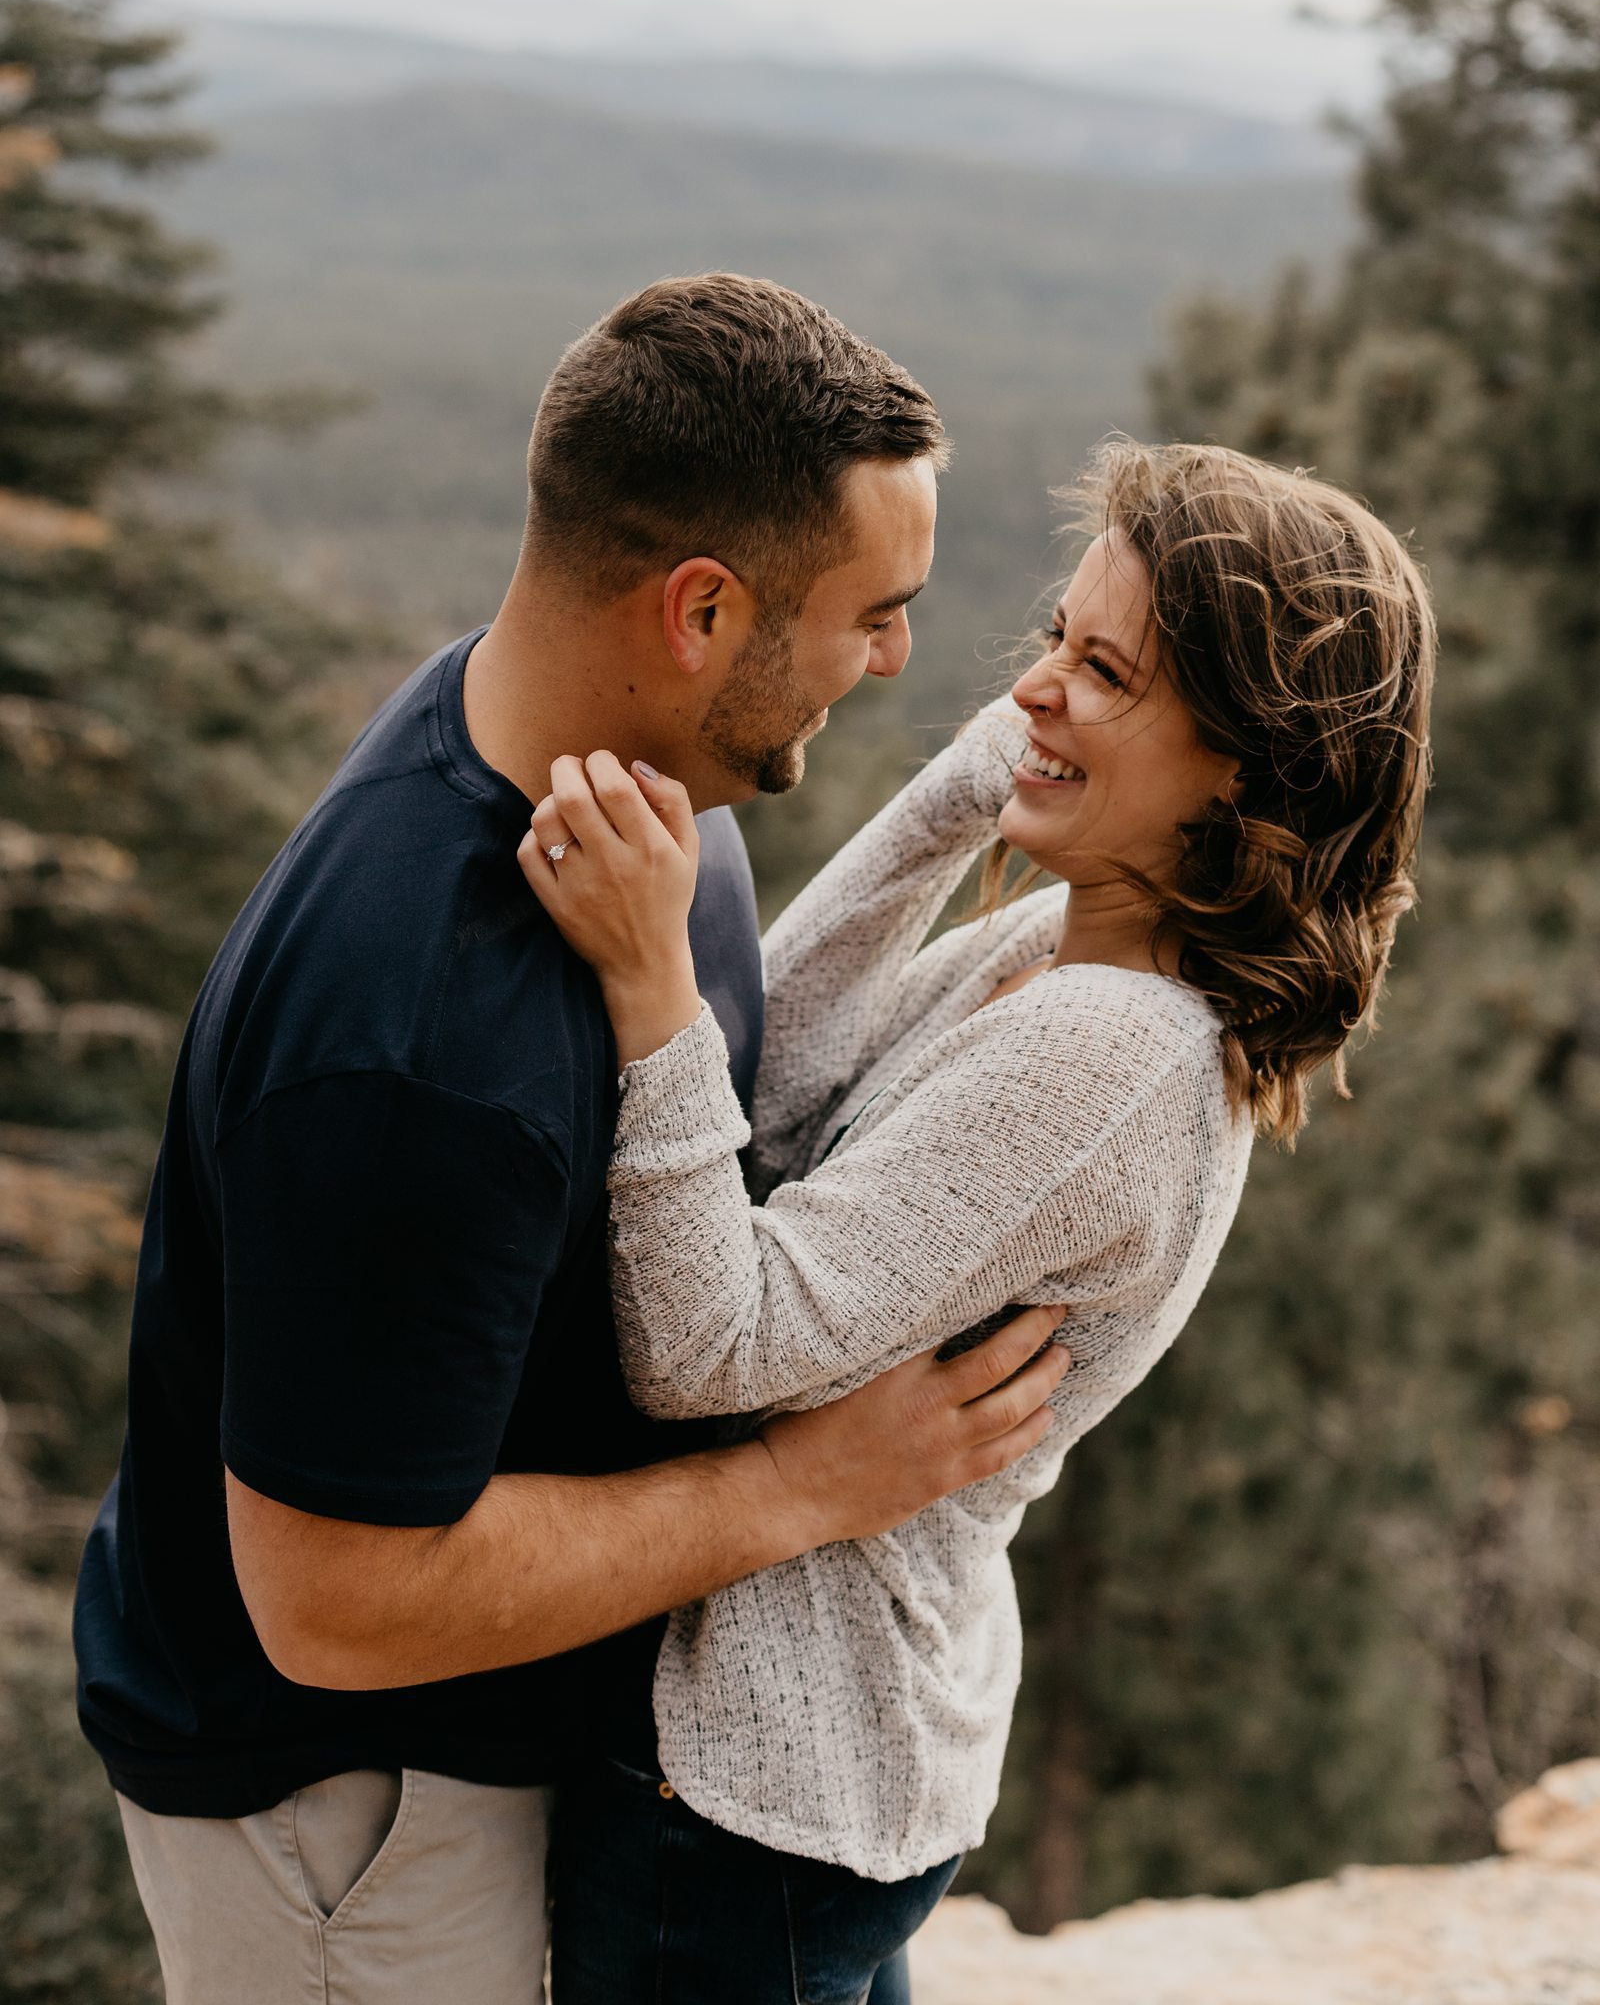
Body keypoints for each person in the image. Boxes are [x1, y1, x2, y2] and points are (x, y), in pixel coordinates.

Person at [73, 273, 1074, 2005]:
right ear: (700, 611)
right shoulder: (412, 1042)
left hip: (507, 1748)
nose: (903, 656)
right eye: (876, 612)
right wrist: (802, 1488)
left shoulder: (633, 804)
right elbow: (335, 1604)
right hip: (343, 1825)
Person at [521, 437, 1438, 2004]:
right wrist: (987, 782)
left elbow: (705, 1339)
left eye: (1106, 670)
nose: (1036, 686)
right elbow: (784, 1079)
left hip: (755, 1795)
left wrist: (644, 982)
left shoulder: (1110, 1054)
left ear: (1244, 763)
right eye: (1050, 643)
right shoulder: (1069, 957)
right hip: (827, 1767)